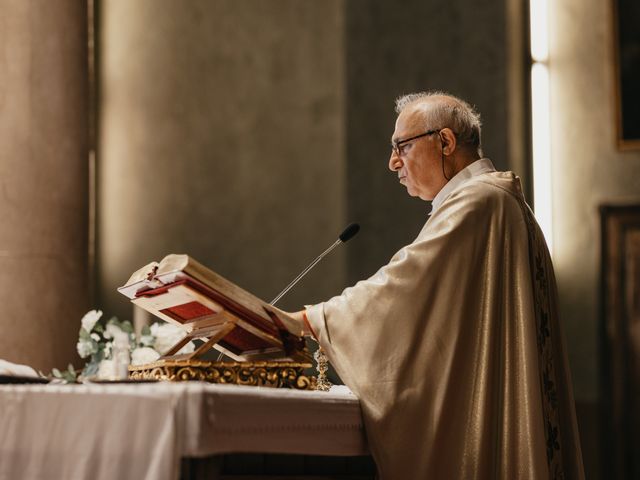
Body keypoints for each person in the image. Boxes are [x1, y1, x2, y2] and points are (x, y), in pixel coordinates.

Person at [287, 92, 585, 479]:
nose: (393, 161)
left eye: (402, 146)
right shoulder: (500, 202)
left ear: (445, 142)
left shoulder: (478, 204)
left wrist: (315, 319)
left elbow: (403, 287)